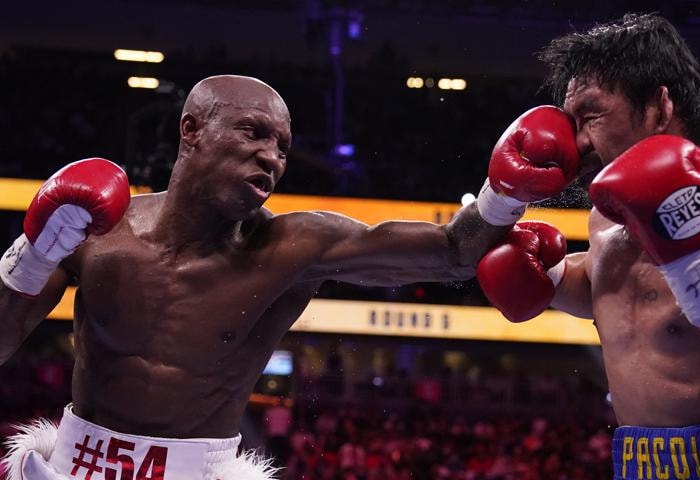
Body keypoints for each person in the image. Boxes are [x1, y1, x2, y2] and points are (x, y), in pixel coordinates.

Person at [0, 75, 580, 480]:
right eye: (253, 132)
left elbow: (452, 252)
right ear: (191, 129)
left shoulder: (292, 246)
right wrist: (35, 253)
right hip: (72, 467)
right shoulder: (102, 230)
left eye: (282, 146)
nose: (272, 157)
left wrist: (504, 195)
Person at [477, 13, 700, 480]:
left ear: (659, 107)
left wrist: (693, 254)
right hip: (639, 466)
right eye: (571, 122)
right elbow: (625, 295)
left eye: (591, 116)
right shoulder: (606, 221)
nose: (577, 142)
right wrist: (548, 274)